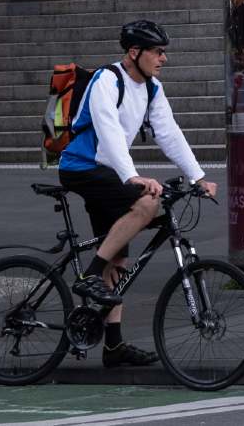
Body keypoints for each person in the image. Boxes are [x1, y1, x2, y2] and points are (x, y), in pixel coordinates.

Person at [59, 19, 218, 367]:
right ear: (135, 52)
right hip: (82, 167)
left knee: (120, 259)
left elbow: (169, 133)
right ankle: (89, 276)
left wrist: (197, 177)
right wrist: (132, 177)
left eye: (163, 53)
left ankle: (113, 347)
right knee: (147, 203)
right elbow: (109, 132)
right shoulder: (107, 80)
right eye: (157, 52)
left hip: (109, 172)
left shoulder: (151, 89)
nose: (163, 59)